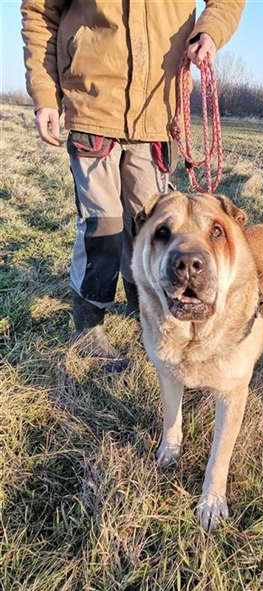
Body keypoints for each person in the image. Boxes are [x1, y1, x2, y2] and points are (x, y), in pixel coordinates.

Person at [21, 0, 245, 372]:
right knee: (103, 227)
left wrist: (210, 31)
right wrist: (45, 93)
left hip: (157, 112)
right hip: (92, 106)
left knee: (151, 228)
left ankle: (141, 305)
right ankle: (88, 329)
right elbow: (39, 12)